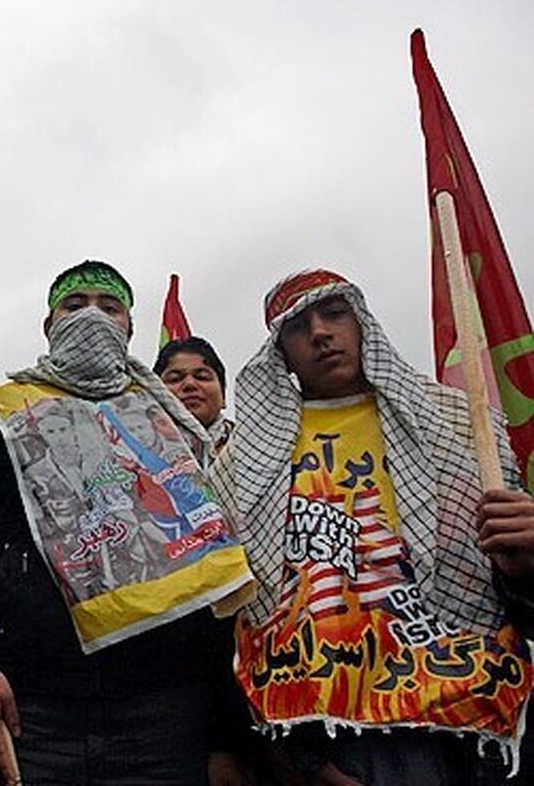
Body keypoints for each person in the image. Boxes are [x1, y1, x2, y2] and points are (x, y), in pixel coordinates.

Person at [0, 260, 253, 786]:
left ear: (129, 328)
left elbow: (210, 572)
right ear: (49, 325)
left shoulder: (173, 422)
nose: (92, 316)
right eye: (75, 305)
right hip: (29, 711)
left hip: (163, 715)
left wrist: (223, 735)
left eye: (109, 307)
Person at [214, 269, 534, 785]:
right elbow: (236, 616)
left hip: (474, 717)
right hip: (338, 735)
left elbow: (512, 589)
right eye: (298, 326)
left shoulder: (458, 424)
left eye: (334, 314)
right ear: (281, 352)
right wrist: (300, 759)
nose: (320, 332)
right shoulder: (243, 462)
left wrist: (525, 567)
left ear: (362, 323)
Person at [154, 336, 235, 458]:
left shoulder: (254, 444)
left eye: (202, 377)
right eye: (175, 379)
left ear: (223, 396)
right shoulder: (134, 450)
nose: (189, 384)